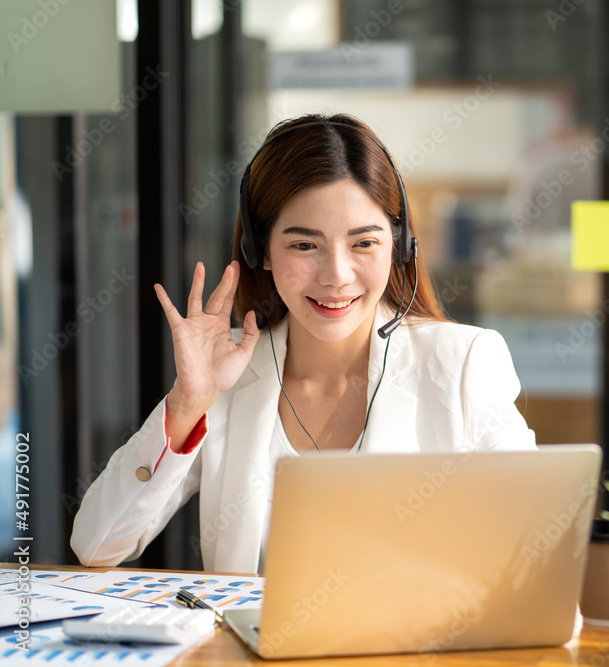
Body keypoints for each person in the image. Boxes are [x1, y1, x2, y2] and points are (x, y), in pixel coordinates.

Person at [71, 114, 536, 574]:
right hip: (251, 649)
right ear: (261, 252)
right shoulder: (227, 375)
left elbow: (533, 549)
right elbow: (97, 544)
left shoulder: (462, 365)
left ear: (398, 247)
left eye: (364, 244)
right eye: (304, 246)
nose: (336, 275)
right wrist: (189, 403)